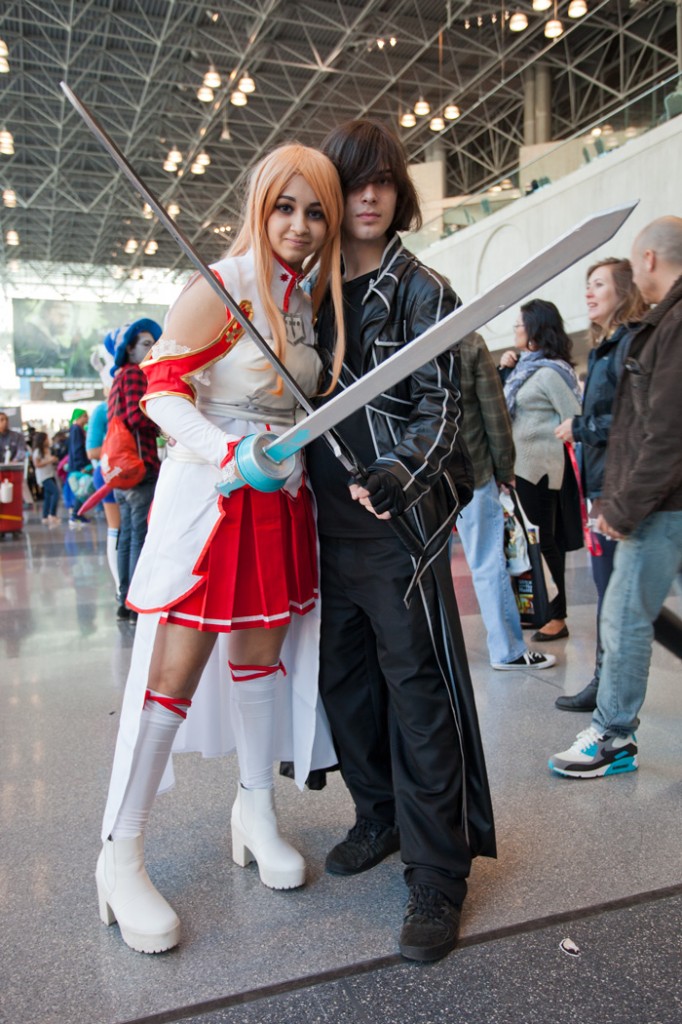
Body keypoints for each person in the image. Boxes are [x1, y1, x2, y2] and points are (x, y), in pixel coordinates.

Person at [96, 143, 346, 955]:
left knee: (261, 661)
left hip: (282, 502)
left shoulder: (304, 301)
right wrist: (229, 454)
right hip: (218, 503)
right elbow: (159, 390)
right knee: (173, 675)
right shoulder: (222, 286)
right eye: (285, 207)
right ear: (258, 206)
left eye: (314, 211)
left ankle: (255, 811)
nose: (300, 226)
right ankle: (121, 853)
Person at [305, 119, 496, 963]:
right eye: (354, 183)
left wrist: (399, 474)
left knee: (418, 695)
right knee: (344, 687)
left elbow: (442, 408)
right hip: (319, 528)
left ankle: (437, 874)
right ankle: (377, 813)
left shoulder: (425, 291)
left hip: (398, 530)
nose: (371, 196)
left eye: (384, 181)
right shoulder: (306, 293)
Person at [549, 215, 682, 777]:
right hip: (654, 498)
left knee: (626, 618)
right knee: (631, 614)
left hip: (658, 503)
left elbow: (665, 429)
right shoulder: (661, 325)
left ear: (648, 260)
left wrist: (622, 507)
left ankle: (612, 736)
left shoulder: (670, 325)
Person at [553, 258, 648, 710]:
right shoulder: (605, 347)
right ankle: (605, 684)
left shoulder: (628, 344)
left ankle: (609, 691)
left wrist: (580, 425)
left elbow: (631, 420)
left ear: (623, 290)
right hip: (602, 485)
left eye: (598, 285)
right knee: (609, 589)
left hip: (617, 487)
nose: (589, 293)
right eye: (586, 285)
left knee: (616, 595)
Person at [455, 332, 556, 671]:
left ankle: (441, 654)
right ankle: (508, 649)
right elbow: (494, 413)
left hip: (420, 473)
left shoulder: (403, 337)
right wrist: (505, 468)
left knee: (426, 567)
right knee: (486, 562)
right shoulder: (469, 341)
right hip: (473, 471)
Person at [502, 300, 582, 641]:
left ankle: (558, 615)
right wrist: (504, 371)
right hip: (520, 469)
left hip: (541, 468)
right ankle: (541, 609)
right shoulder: (523, 370)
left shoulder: (549, 372)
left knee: (546, 543)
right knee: (531, 544)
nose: (516, 331)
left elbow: (575, 415)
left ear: (535, 328)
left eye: (520, 325)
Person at [106, 319, 162, 619]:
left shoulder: (117, 379)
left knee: (128, 535)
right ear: (129, 349)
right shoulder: (134, 376)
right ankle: (136, 600)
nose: (151, 348)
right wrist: (162, 421)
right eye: (145, 344)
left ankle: (125, 598)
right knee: (139, 535)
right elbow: (137, 415)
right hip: (141, 467)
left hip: (122, 472)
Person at [86, 346, 121, 596]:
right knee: (117, 528)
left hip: (137, 476)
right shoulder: (101, 411)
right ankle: (121, 587)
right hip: (110, 475)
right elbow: (92, 451)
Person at [66, 408, 91, 527]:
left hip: (77, 465)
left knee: (81, 489)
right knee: (82, 490)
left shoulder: (76, 429)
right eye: (85, 416)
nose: (87, 419)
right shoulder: (76, 429)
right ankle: (76, 514)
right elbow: (77, 448)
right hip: (79, 466)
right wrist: (82, 465)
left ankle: (79, 513)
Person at [32, 431, 60, 525]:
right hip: (44, 476)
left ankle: (45, 516)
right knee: (55, 493)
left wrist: (53, 460)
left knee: (47, 497)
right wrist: (49, 461)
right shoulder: (37, 452)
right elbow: (37, 464)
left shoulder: (47, 450)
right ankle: (52, 514)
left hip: (50, 474)